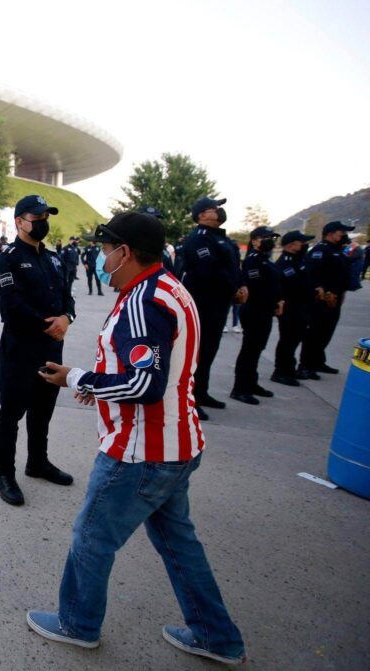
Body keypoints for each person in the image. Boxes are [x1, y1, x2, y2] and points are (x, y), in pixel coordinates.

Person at [31, 211, 245, 666]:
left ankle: (78, 624)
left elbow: (145, 384)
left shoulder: (143, 302)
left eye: (105, 249)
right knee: (179, 546)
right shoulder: (168, 288)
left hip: (141, 451)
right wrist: (105, 384)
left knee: (91, 537)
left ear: (124, 251)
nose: (101, 258)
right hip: (176, 443)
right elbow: (148, 375)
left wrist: (78, 378)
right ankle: (216, 636)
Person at [0, 195, 74, 506]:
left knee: (43, 409)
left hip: (51, 348)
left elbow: (68, 296)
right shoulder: (8, 258)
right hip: (20, 348)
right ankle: (4, 474)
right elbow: (12, 307)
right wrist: (48, 325)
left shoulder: (53, 258)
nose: (42, 222)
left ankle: (37, 462)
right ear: (19, 222)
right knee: (11, 412)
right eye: (36, 217)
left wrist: (66, 318)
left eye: (45, 217)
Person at [177, 197, 245, 421]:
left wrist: (241, 286)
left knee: (210, 351)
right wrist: (233, 289)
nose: (217, 211)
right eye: (212, 208)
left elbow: (234, 267)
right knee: (198, 353)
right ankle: (190, 398)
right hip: (204, 304)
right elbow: (209, 272)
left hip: (219, 303)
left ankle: (202, 392)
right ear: (201, 215)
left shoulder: (222, 240)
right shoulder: (198, 240)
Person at [230, 227, 281, 404]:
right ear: (255, 240)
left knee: (257, 349)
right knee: (249, 350)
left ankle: (251, 383)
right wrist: (273, 302)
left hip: (265, 311)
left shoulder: (266, 259)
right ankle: (240, 388)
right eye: (266, 237)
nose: (270, 240)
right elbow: (257, 288)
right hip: (255, 310)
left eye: (271, 237)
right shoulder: (253, 260)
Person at [298, 221, 356, 378]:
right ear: (330, 233)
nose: (344, 235)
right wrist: (319, 289)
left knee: (326, 332)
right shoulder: (320, 250)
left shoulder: (338, 251)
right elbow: (311, 273)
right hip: (321, 299)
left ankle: (317, 361)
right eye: (341, 232)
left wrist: (342, 293)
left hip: (335, 298)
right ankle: (305, 365)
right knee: (315, 333)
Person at [271, 230, 315, 386]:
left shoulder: (299, 261)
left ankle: (289, 369)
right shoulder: (285, 264)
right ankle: (280, 371)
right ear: (291, 245)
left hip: (302, 308)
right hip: (291, 309)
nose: (304, 245)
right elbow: (296, 286)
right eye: (301, 243)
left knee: (295, 340)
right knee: (287, 341)